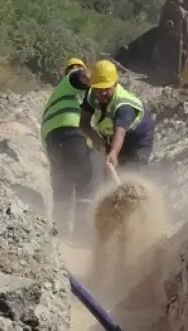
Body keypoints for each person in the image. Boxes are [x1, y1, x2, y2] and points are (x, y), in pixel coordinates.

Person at [40, 57, 93, 242]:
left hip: (51, 138)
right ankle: (80, 234)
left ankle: (59, 232)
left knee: (62, 183)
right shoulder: (73, 76)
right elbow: (81, 77)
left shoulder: (57, 93)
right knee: (84, 179)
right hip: (70, 131)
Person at [79, 59, 155, 177]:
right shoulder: (92, 94)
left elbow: (120, 132)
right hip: (112, 136)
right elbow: (83, 123)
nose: (102, 93)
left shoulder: (123, 105)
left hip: (138, 136)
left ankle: (137, 191)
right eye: (99, 88)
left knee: (133, 170)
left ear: (115, 84)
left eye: (107, 88)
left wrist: (113, 152)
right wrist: (99, 141)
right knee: (109, 172)